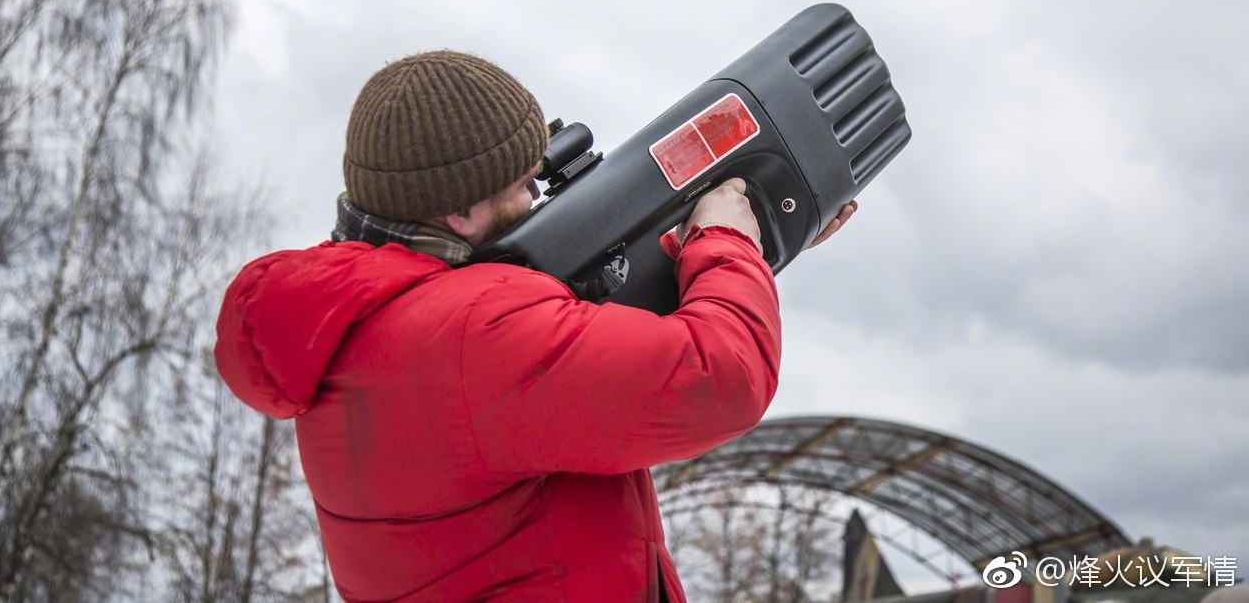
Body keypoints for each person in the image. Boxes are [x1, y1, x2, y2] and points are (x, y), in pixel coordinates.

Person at [213, 50, 856, 602]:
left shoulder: (359, 328)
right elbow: (718, 379)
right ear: (461, 209)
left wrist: (756, 248)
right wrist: (725, 240)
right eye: (523, 184)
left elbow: (583, 356)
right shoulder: (471, 333)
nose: (536, 199)